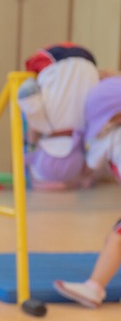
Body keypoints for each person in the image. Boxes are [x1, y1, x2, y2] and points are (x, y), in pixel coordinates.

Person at [54, 76, 121, 307]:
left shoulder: (110, 139)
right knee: (115, 238)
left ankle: (94, 287)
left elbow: (90, 164)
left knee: (116, 238)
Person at [18, 43, 99, 187]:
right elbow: (27, 93)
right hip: (55, 61)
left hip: (89, 64)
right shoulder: (42, 124)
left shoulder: (84, 131)